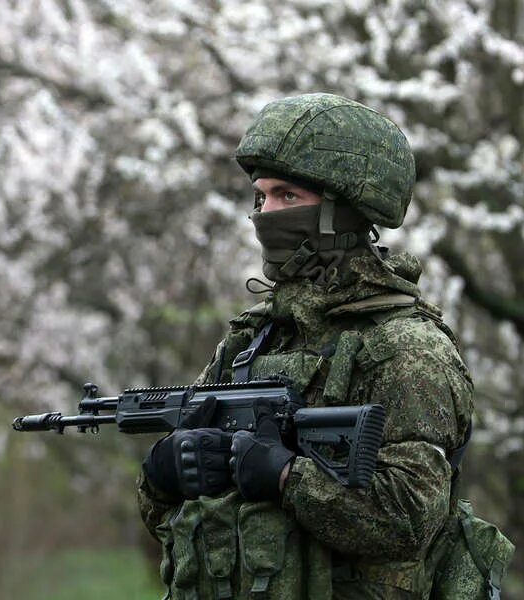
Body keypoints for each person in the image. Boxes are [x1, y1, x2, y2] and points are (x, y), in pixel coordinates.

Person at [136, 93, 474, 599]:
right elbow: (169, 518)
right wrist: (166, 473)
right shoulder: (251, 340)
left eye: (286, 196)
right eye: (260, 197)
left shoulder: (405, 348)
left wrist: (286, 477)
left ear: (343, 210)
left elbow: (408, 520)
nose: (264, 213)